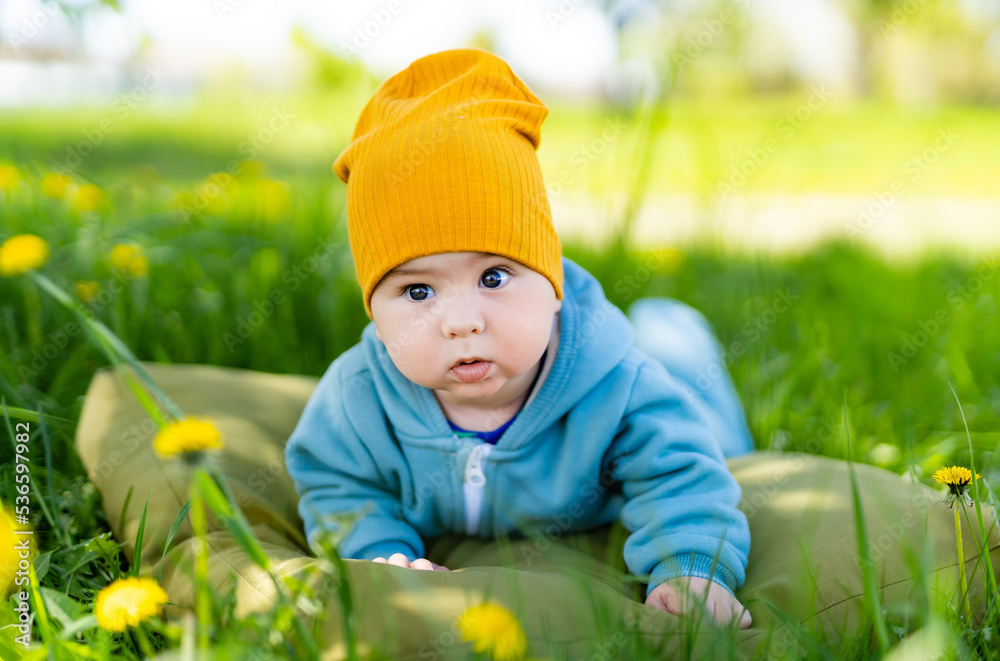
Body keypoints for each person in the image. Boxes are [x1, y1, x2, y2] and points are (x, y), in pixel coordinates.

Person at [285, 47, 755, 629]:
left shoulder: (618, 386)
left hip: (665, 389)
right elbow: (337, 483)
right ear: (374, 313)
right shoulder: (359, 396)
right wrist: (382, 552)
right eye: (417, 292)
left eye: (494, 277)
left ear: (552, 282)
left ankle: (676, 329)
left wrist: (691, 567)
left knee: (712, 424)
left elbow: (681, 472)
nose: (462, 321)